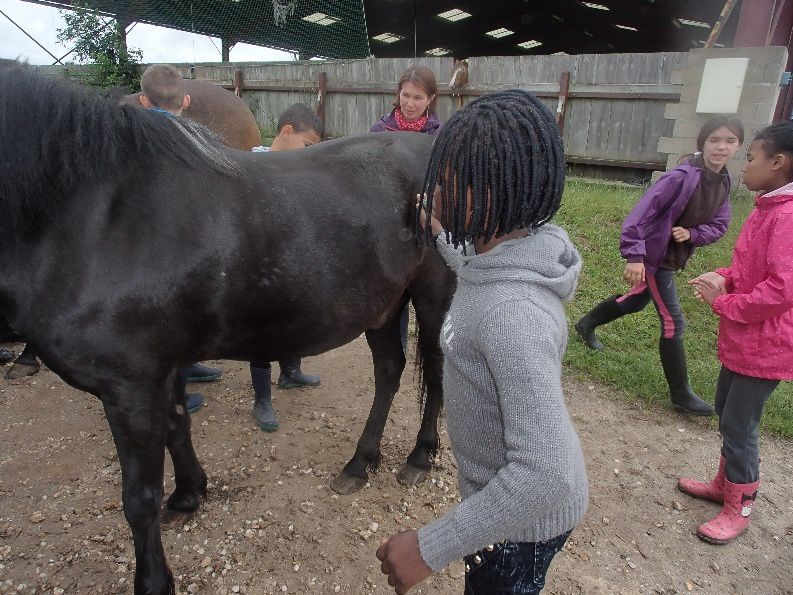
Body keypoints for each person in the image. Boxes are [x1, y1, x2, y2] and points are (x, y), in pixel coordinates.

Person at [377, 90, 588, 595]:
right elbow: (474, 268)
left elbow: (548, 473)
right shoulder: (504, 251)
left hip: (520, 529)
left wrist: (428, 548)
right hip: (502, 508)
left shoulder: (512, 317)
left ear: (486, 195)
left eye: (446, 181)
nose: (434, 187)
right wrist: (437, 223)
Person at [574, 116, 744, 416]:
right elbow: (640, 215)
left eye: (730, 141)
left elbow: (721, 223)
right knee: (673, 322)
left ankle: (586, 324)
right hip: (656, 257)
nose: (721, 147)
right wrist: (635, 256)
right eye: (715, 140)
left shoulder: (724, 180)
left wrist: (694, 234)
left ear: (738, 145)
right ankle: (681, 394)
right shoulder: (679, 177)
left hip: (672, 255)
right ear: (702, 143)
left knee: (638, 300)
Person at [679, 122, 793, 545]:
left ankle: (739, 508)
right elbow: (752, 271)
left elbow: (782, 290)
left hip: (768, 346)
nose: (742, 165)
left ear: (777, 163)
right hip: (747, 342)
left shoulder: (787, 217)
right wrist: (724, 275)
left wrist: (722, 302)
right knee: (728, 412)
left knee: (741, 425)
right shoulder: (769, 209)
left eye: (750, 157)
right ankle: (722, 486)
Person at [139, 64, 223, 413]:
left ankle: (187, 371)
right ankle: (175, 395)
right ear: (186, 100)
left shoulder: (137, 137)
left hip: (150, 248)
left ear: (143, 101)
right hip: (187, 245)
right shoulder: (197, 139)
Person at [250, 104, 324, 432]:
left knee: (294, 318)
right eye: (307, 146)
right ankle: (262, 399)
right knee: (262, 329)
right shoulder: (252, 163)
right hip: (260, 263)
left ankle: (290, 372)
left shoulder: (298, 169)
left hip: (291, 257)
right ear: (287, 132)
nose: (309, 154)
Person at [370, 65, 441, 352]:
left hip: (427, 235)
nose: (410, 104)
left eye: (418, 98)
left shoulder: (440, 136)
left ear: (431, 100)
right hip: (390, 231)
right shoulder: (379, 131)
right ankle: (394, 354)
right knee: (390, 305)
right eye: (405, 95)